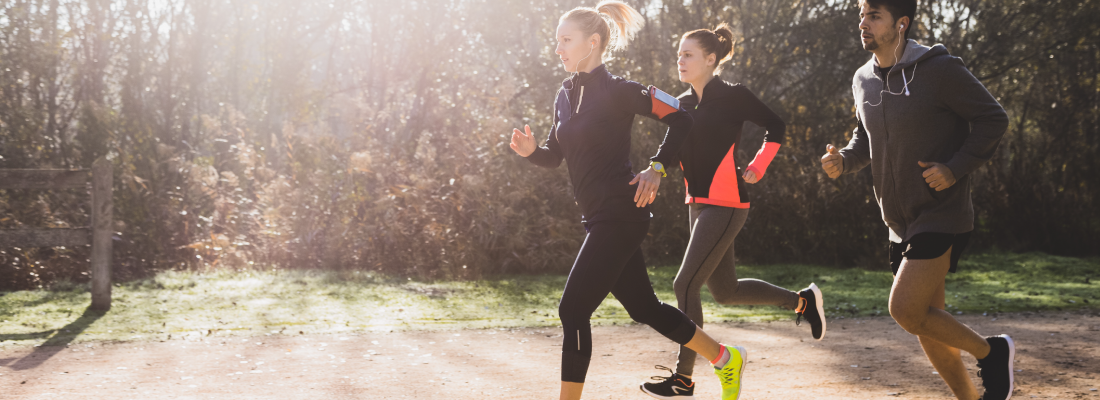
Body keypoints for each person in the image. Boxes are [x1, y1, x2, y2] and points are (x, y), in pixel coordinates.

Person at [508, 2, 748, 399]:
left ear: (593, 42)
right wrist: (533, 151)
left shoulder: (620, 91)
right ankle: (725, 358)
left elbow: (681, 118)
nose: (558, 49)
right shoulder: (564, 95)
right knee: (644, 307)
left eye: (565, 40)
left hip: (621, 213)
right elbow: (554, 156)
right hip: (598, 217)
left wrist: (658, 166)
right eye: (557, 41)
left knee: (572, 310)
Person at [819, 1, 1013, 399]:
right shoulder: (863, 78)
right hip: (897, 220)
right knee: (924, 321)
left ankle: (992, 353)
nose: (863, 24)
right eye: (862, 16)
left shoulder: (940, 70)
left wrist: (955, 167)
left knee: (905, 311)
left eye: (874, 16)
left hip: (941, 211)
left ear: (901, 24)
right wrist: (845, 159)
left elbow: (994, 118)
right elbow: (865, 138)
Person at [638, 23, 828, 400]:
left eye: (688, 54)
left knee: (685, 284)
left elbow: (776, 125)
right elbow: (674, 154)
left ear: (711, 59)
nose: (681, 59)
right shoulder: (682, 104)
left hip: (727, 203)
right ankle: (802, 300)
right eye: (679, 53)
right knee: (724, 290)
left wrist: (759, 163)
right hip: (697, 203)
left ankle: (684, 378)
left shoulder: (734, 95)